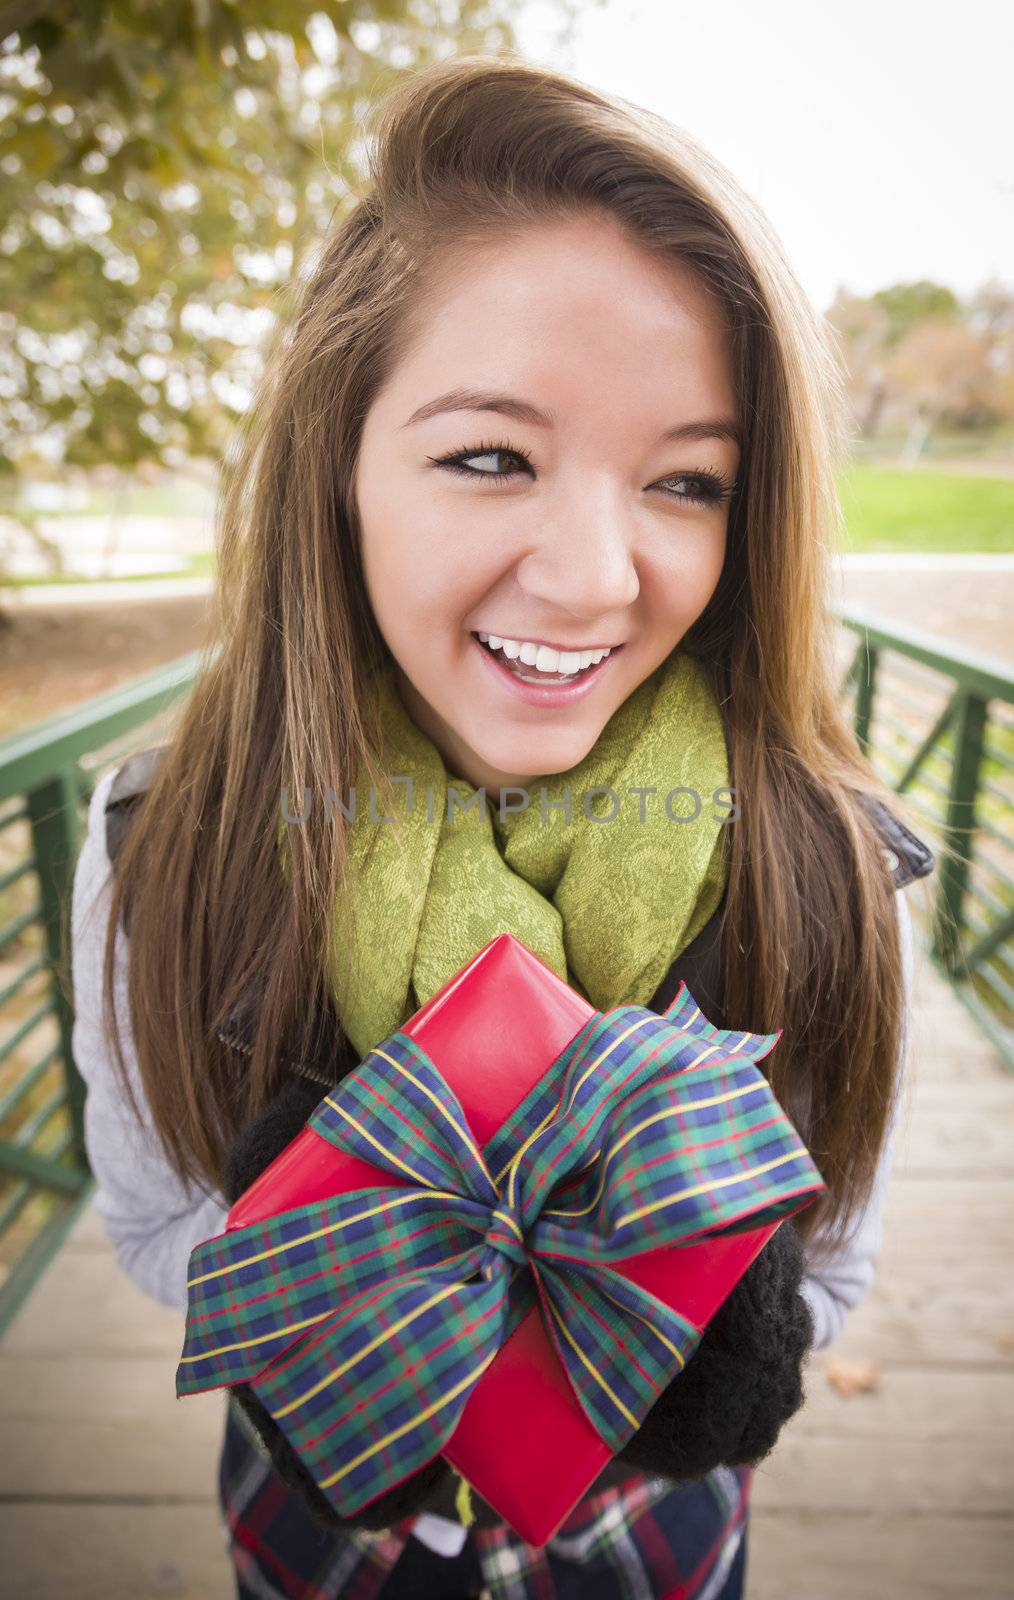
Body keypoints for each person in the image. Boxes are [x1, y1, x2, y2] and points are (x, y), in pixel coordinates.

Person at [70, 53, 934, 1600]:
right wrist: (350, 1281)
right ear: (339, 465)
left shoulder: (829, 866)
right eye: (490, 457)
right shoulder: (163, 846)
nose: (598, 575)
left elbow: (835, 1266)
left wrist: (648, 1348)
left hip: (656, 1551)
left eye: (685, 480)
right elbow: (146, 1220)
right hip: (316, 1542)